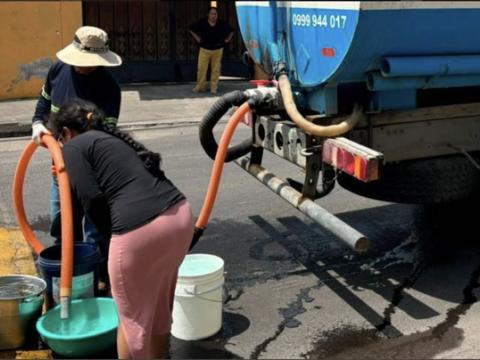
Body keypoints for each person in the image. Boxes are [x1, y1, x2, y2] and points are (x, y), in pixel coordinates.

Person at [48, 99, 193, 359]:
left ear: (67, 133)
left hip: (141, 232)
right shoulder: (110, 139)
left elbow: (90, 197)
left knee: (131, 322)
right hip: (179, 218)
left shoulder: (74, 146)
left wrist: (114, 239)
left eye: (60, 139)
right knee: (159, 308)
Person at [31, 26, 122, 288]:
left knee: (95, 231)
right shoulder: (58, 71)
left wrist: (75, 163)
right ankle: (65, 279)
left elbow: (105, 139)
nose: (85, 68)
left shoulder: (109, 89)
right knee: (63, 226)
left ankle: (95, 282)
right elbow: (43, 104)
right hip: (58, 170)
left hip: (92, 174)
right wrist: (38, 123)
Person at [189, 7, 234, 94]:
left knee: (216, 69)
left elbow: (232, 30)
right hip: (204, 49)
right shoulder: (202, 22)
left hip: (218, 50)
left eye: (215, 14)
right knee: (201, 69)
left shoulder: (221, 23)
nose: (213, 16)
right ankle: (200, 86)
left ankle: (214, 87)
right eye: (212, 14)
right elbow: (191, 29)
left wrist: (228, 39)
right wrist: (197, 38)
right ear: (208, 15)